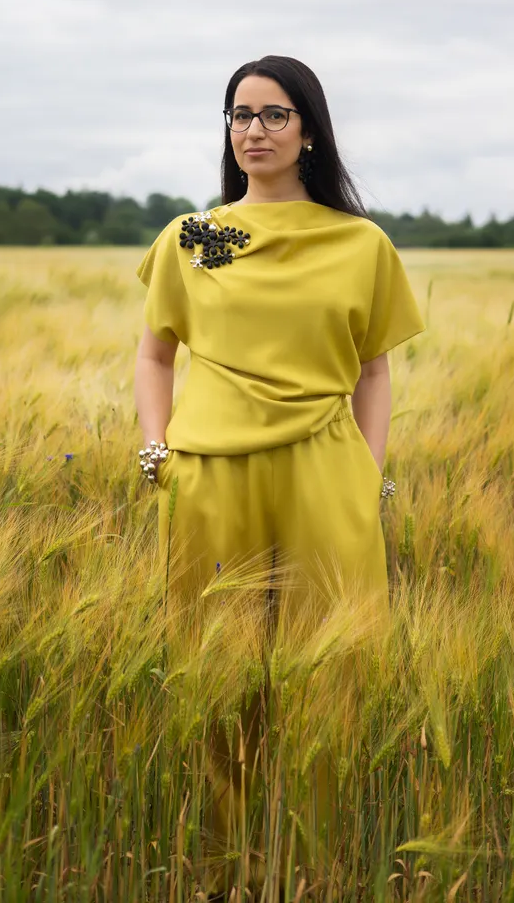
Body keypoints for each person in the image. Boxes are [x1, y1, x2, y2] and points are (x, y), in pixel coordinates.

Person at [133, 55, 424, 892]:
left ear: (307, 132)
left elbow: (373, 372)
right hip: (209, 471)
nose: (252, 131)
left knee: (330, 663)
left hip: (325, 470)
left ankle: (315, 861)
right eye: (238, 115)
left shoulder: (358, 243)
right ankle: (220, 863)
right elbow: (156, 354)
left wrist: (366, 477)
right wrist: (157, 449)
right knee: (211, 664)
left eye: (272, 115)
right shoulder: (191, 237)